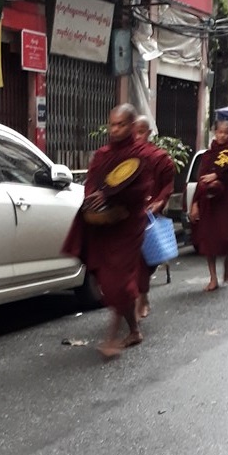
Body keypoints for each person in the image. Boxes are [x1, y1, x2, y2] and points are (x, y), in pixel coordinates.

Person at [62, 103, 151, 358]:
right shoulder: (102, 154)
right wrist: (92, 197)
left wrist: (110, 194)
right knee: (108, 281)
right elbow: (92, 182)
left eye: (121, 124)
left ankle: (111, 338)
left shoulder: (141, 154)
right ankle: (134, 330)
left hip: (127, 224)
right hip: (104, 227)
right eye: (112, 124)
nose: (114, 129)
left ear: (132, 126)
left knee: (118, 282)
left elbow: (141, 189)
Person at [190, 118, 228, 291]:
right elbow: (200, 180)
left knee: (225, 235)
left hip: (226, 200)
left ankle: (227, 259)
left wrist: (218, 177)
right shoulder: (208, 155)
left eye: (225, 133)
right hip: (208, 202)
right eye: (219, 132)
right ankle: (213, 277)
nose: (221, 136)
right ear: (214, 132)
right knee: (208, 239)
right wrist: (195, 203)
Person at [132, 115, 176, 319]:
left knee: (146, 260)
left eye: (141, 132)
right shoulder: (125, 156)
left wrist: (160, 201)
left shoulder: (160, 157)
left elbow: (168, 184)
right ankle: (137, 297)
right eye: (134, 132)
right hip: (129, 215)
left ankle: (143, 296)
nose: (137, 136)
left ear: (149, 133)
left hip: (149, 214)